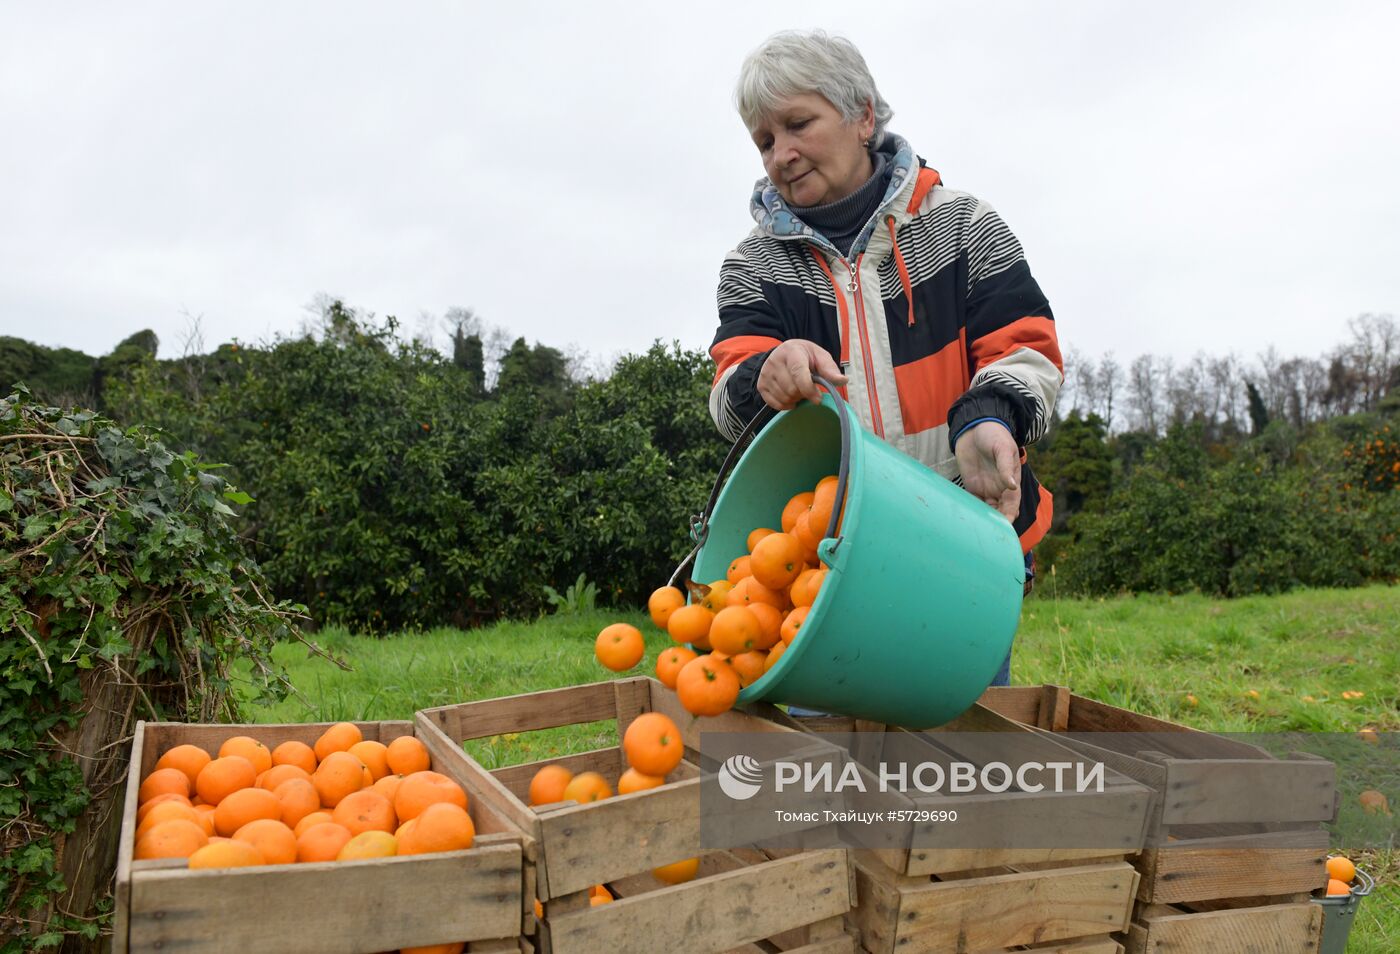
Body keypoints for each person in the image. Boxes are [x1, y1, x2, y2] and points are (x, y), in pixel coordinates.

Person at [708, 30, 1063, 687]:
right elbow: (732, 385)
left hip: (965, 549)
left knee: (966, 757)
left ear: (863, 115)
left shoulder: (963, 227)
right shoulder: (752, 267)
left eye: (797, 124)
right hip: (828, 566)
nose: (781, 154)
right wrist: (768, 372)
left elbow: (1025, 349)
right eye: (764, 140)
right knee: (833, 770)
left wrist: (990, 417)